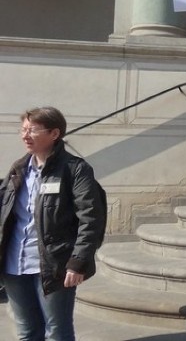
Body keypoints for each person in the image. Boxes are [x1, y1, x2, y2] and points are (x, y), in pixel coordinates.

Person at [0, 107, 107, 340]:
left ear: (54, 133)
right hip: (14, 264)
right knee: (27, 331)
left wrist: (78, 261)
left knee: (57, 331)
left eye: (33, 130)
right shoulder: (18, 169)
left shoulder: (74, 169)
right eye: (23, 129)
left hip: (53, 265)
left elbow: (91, 217)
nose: (25, 135)